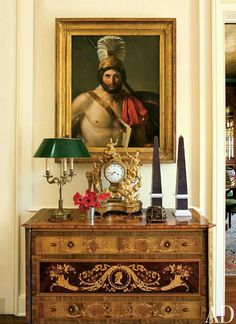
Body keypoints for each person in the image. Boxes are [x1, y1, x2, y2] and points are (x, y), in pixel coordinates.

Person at [72, 36, 149, 147]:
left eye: (116, 76)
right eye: (107, 76)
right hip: (91, 160)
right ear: (101, 77)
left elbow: (141, 142)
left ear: (122, 78)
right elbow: (64, 133)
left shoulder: (132, 103)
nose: (111, 81)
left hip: (122, 160)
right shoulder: (85, 100)